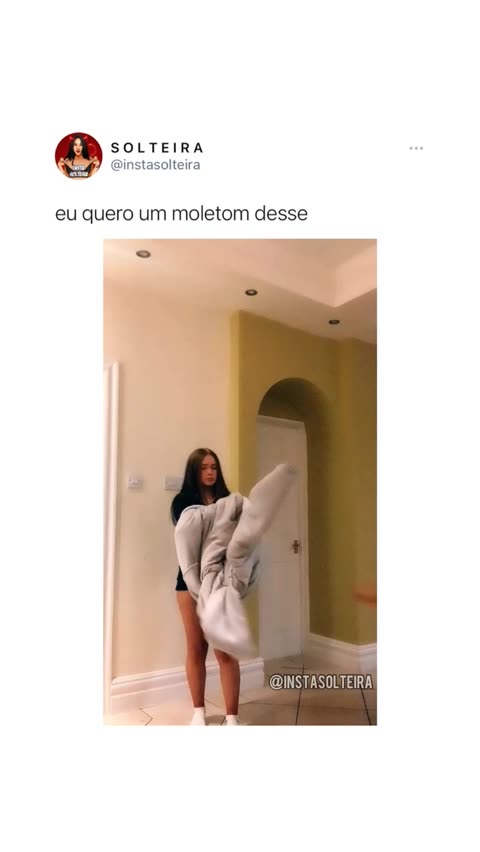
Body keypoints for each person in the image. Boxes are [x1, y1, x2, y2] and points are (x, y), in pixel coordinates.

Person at [171, 448, 241, 726]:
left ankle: (232, 717)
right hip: (188, 584)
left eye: (213, 467)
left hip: (221, 583)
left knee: (224, 650)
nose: (210, 472)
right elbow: (194, 536)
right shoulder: (181, 502)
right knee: (196, 647)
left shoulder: (228, 499)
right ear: (194, 471)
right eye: (204, 468)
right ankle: (198, 713)